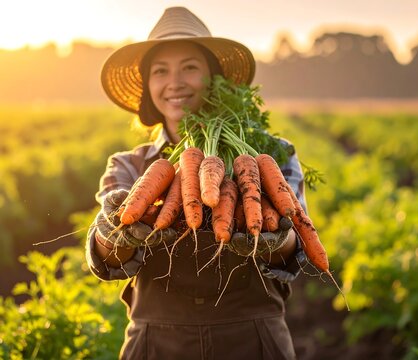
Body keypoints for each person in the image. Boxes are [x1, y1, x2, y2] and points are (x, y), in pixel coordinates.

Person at [86, 6, 308, 360]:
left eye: (190, 67)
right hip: (156, 342)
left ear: (216, 79)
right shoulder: (128, 166)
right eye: (160, 71)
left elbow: (297, 249)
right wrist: (114, 232)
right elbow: (107, 261)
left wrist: (278, 237)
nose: (175, 82)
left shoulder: (272, 156)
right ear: (148, 87)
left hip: (255, 338)